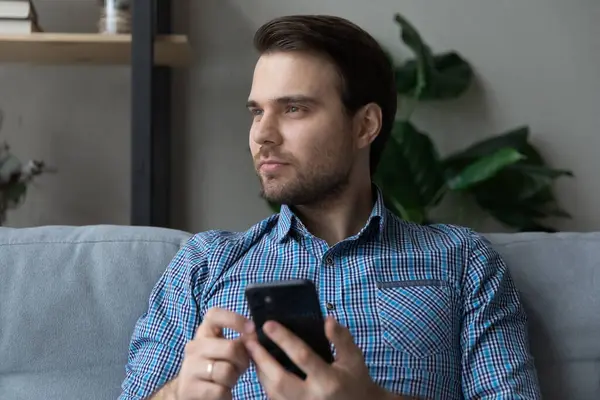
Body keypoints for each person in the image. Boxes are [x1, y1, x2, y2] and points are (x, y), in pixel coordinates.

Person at [119, 14, 541, 400]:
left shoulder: (462, 261)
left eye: (294, 108)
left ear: (364, 125)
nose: (262, 134)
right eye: (256, 112)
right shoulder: (203, 264)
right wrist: (178, 395)